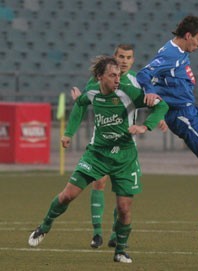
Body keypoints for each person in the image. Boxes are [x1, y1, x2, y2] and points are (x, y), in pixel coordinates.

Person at [28, 56, 169, 263]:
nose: (117, 80)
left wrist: (145, 126)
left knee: (124, 208)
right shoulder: (92, 91)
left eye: (119, 75)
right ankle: (44, 226)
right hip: (97, 154)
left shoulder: (128, 92)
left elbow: (161, 106)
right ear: (100, 77)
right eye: (113, 75)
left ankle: (120, 251)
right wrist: (68, 133)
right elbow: (80, 104)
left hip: (125, 156)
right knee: (68, 195)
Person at [136, 15, 198, 243]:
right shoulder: (170, 54)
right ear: (188, 36)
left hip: (190, 111)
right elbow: (143, 74)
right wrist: (151, 92)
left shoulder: (180, 52)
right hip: (182, 115)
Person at [61, 44, 165, 249]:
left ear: (133, 60)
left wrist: (157, 121)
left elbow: (153, 101)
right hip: (101, 143)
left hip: (127, 144)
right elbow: (81, 105)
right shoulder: (99, 80)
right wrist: (68, 133)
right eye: (121, 57)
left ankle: (115, 234)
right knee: (98, 183)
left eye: (128, 57)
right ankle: (97, 233)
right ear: (114, 58)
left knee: (122, 192)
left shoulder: (138, 80)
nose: (124, 61)